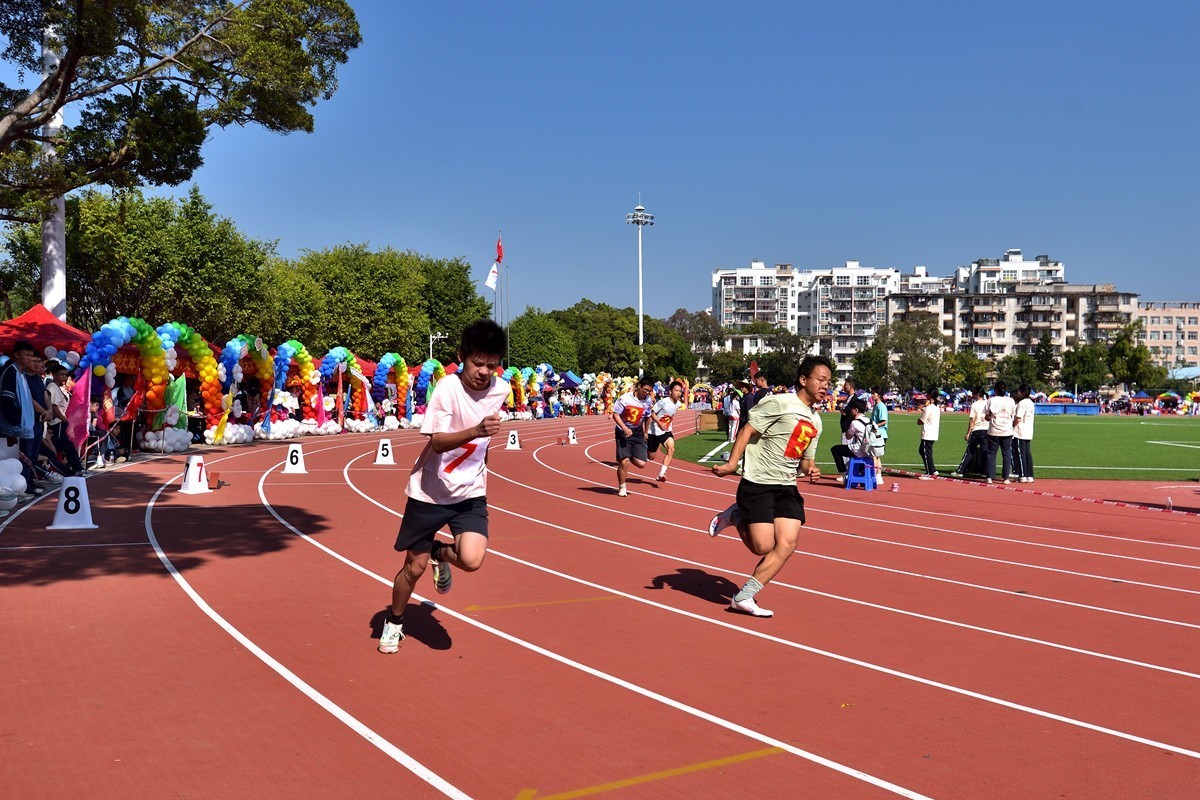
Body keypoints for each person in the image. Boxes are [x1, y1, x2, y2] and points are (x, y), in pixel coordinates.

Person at [379, 320, 510, 654]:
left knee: (472, 558)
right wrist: (476, 431)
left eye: (492, 365)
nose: (484, 371)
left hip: (470, 493)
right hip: (430, 492)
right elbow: (436, 442)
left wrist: (481, 463)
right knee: (414, 568)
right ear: (461, 357)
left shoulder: (501, 390)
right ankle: (394, 621)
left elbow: (485, 442)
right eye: (477, 363)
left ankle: (441, 552)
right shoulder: (447, 389)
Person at [707, 355, 832, 618]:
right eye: (820, 380)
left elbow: (806, 461)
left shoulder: (817, 422)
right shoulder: (779, 402)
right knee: (762, 547)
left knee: (787, 543)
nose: (825, 386)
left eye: (828, 382)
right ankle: (735, 515)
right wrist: (731, 464)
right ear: (803, 379)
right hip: (759, 482)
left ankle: (744, 596)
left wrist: (812, 470)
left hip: (787, 486)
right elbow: (747, 430)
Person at [0, 341, 42, 498]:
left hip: (24, 424)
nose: (30, 359)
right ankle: (19, 490)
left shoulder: (21, 373)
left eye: (32, 355)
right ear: (16, 355)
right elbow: (7, 399)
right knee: (18, 460)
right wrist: (16, 420)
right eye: (27, 355)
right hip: (13, 426)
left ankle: (26, 486)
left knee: (28, 457)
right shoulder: (10, 372)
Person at [612, 376, 654, 497]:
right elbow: (616, 414)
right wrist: (624, 428)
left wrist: (646, 432)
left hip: (637, 432)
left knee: (642, 464)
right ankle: (622, 487)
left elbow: (647, 416)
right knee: (624, 462)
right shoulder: (625, 399)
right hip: (623, 432)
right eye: (645, 390)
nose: (646, 393)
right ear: (639, 387)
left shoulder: (648, 401)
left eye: (649, 391)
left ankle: (628, 454)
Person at [44, 361, 86, 477]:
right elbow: (54, 406)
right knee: (64, 445)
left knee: (66, 446)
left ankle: (74, 467)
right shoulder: (52, 387)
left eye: (65, 374)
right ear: (54, 375)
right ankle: (74, 467)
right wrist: (63, 419)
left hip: (61, 422)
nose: (64, 377)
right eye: (61, 374)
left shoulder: (59, 388)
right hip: (57, 423)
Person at [649, 380, 684, 482]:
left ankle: (661, 474)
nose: (678, 393)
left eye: (680, 391)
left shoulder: (678, 403)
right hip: (654, 431)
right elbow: (652, 413)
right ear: (670, 392)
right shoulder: (663, 402)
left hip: (666, 431)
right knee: (651, 457)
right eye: (676, 391)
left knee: (671, 449)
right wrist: (660, 423)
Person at [983, 380, 1016, 484]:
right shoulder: (1011, 401)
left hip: (994, 430)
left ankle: (989, 477)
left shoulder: (991, 400)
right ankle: (1006, 478)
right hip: (1007, 430)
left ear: (996, 390)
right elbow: (1013, 415)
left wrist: (990, 417)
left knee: (991, 453)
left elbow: (987, 416)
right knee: (1006, 453)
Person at [829, 396, 870, 476]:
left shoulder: (855, 422)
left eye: (852, 409)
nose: (851, 411)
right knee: (859, 453)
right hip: (869, 450)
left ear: (856, 410)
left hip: (859, 450)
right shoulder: (870, 421)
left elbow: (848, 437)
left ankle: (844, 472)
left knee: (835, 449)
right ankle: (862, 474)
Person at [955, 389, 989, 477]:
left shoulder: (975, 404)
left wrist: (968, 433)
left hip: (977, 430)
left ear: (977, 394)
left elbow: (972, 420)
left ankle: (960, 471)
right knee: (985, 451)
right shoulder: (988, 403)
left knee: (969, 451)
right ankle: (985, 472)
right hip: (986, 430)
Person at [1013, 384, 1036, 483]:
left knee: (1020, 453)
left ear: (1022, 392)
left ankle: (1022, 475)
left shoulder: (1022, 403)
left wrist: (1011, 426)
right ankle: (1029, 475)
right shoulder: (1031, 402)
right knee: (1027, 453)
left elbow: (1018, 418)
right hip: (1028, 430)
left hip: (1020, 431)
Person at [916, 394, 941, 479]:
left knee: (926, 452)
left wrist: (918, 421)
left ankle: (929, 472)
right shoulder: (936, 407)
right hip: (933, 432)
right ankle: (932, 469)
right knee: (924, 451)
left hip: (928, 433)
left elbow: (921, 420)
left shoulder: (929, 408)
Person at [867, 388, 889, 486]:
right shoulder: (876, 406)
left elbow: (884, 421)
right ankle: (878, 476)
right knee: (875, 455)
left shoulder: (881, 406)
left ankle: (878, 476)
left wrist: (874, 425)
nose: (872, 395)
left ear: (879, 395)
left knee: (874, 455)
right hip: (876, 433)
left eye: (873, 393)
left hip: (879, 434)